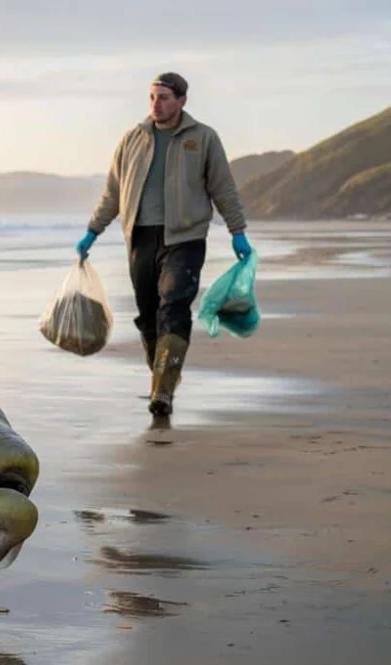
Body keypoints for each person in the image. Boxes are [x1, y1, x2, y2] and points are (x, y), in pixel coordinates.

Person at [76, 72, 252, 418]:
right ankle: (161, 378)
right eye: (152, 97)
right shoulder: (133, 139)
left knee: (173, 306)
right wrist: (93, 231)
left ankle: (163, 391)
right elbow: (113, 192)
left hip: (185, 237)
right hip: (140, 237)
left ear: (181, 101)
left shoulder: (202, 138)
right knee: (148, 314)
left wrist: (238, 231)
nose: (156, 104)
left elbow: (223, 188)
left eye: (164, 98)